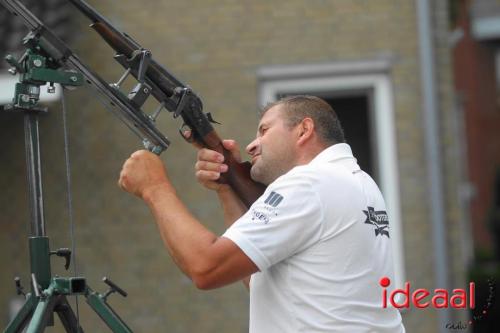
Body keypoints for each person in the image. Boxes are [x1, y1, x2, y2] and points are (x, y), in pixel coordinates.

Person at [118, 95, 405, 332]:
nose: (252, 145)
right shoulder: (358, 181)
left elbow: (206, 267)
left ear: (304, 130)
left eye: (264, 130)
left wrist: (154, 187)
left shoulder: (309, 183)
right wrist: (227, 188)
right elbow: (256, 278)